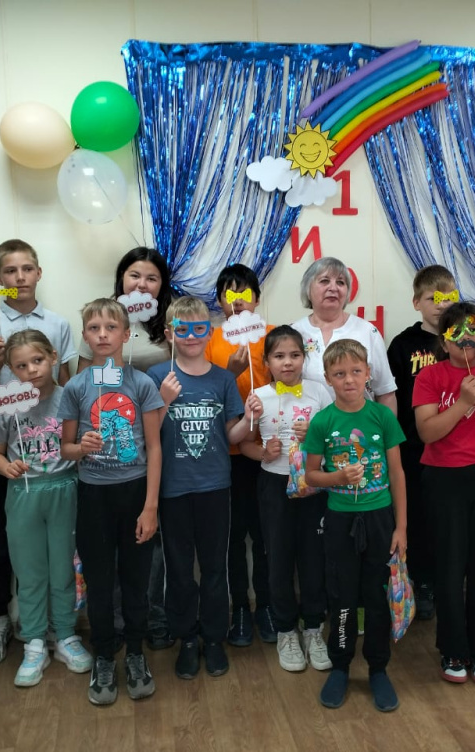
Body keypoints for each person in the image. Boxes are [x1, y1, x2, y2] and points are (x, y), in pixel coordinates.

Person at [0, 239, 76, 667]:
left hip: (56, 461)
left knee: (61, 556)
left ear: (38, 273)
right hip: (7, 443)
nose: (19, 277)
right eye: (10, 271)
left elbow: (66, 380)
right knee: (2, 539)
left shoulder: (58, 323)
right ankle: (2, 619)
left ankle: (58, 628)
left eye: (27, 268)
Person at [147, 297, 262, 681]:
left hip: (215, 486)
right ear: (169, 334)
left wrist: (249, 419)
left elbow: (231, 435)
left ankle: (214, 638)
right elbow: (148, 434)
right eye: (183, 329)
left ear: (209, 333)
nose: (192, 336)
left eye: (200, 329)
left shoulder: (223, 379)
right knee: (180, 568)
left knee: (214, 567)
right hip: (173, 489)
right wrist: (164, 401)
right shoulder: (157, 376)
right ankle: (187, 638)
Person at [59, 299, 164, 705]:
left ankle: (135, 653)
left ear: (126, 334)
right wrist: (80, 447)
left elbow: (154, 447)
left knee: (136, 582)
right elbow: (66, 448)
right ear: (85, 336)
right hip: (94, 496)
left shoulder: (141, 384)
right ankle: (104, 655)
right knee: (101, 583)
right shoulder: (76, 387)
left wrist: (150, 507)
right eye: (94, 328)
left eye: (110, 327)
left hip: (135, 493)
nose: (102, 335)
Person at [412, 303, 475, 686]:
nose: (466, 339)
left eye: (473, 330)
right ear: (444, 341)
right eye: (456, 333)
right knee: (450, 566)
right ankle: (453, 648)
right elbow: (427, 432)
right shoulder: (430, 376)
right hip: (445, 479)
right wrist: (462, 403)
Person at [77, 247, 174, 651]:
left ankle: (151, 617)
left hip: (157, 436)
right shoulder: (105, 325)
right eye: (135, 275)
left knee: (149, 539)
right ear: (121, 279)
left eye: (152, 278)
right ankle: (114, 622)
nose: (142, 284)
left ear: (161, 285)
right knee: (110, 548)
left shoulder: (168, 326)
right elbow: (84, 389)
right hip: (109, 450)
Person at [303, 339, 407, 713]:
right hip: (340, 520)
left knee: (377, 596)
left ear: (368, 374)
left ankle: (378, 668)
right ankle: (341, 666)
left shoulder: (382, 416)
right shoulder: (323, 421)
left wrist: (401, 528)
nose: (349, 380)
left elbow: (397, 473)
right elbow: (310, 475)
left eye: (356, 371)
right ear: (328, 378)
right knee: (342, 595)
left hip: (380, 519)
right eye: (339, 373)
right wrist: (338, 477)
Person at [0, 330, 90, 687]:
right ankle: (33, 641)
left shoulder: (70, 398)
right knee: (30, 572)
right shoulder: (5, 405)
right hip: (23, 494)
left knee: (64, 569)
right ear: (10, 370)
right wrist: (6, 467)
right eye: (21, 366)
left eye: (38, 360)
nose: (31, 370)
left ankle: (65, 635)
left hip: (65, 491)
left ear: (53, 357)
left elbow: (78, 445)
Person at [239, 326, 332, 673]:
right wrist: (263, 453)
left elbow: (334, 438)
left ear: (304, 358)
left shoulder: (318, 391)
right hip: (274, 485)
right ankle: (285, 630)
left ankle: (313, 627)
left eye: (294, 355)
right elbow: (244, 444)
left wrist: (315, 436)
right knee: (277, 558)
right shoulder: (258, 396)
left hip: (313, 484)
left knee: (313, 557)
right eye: (279, 356)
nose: (287, 362)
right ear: (267, 362)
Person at [204, 264, 275, 647]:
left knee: (265, 536)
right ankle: (241, 610)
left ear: (256, 299)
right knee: (231, 538)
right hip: (226, 453)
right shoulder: (209, 339)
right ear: (219, 301)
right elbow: (204, 392)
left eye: (243, 292)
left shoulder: (272, 336)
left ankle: (266, 605)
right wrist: (229, 373)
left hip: (268, 453)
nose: (236, 300)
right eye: (228, 293)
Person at [386, 264, 458, 620]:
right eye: (433, 298)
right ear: (417, 302)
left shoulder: (465, 340)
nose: (441, 305)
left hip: (455, 449)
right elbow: (392, 399)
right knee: (417, 518)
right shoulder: (403, 345)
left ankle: (448, 582)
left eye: (449, 297)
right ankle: (421, 582)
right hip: (414, 449)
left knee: (450, 520)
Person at [292, 257, 397, 413]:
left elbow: (385, 392)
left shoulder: (368, 331)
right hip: (305, 425)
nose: (333, 287)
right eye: (324, 281)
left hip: (360, 426)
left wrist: (388, 428)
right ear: (308, 288)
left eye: (340, 282)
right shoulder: (293, 333)